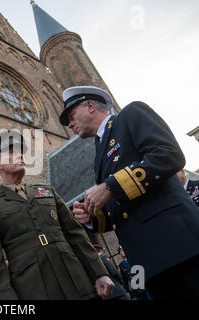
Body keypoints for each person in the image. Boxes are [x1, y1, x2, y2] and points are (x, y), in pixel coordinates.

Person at [59, 85, 199, 300]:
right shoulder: (99, 153)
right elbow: (121, 208)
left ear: (89, 106)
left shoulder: (130, 114)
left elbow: (169, 155)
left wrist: (109, 186)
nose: (69, 124)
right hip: (149, 263)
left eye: (71, 115)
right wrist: (93, 217)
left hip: (179, 246)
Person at [0, 131, 115, 300]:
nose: (20, 155)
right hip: (35, 289)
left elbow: (76, 234)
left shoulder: (47, 191)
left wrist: (99, 273)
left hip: (77, 280)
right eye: (11, 152)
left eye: (21, 152)